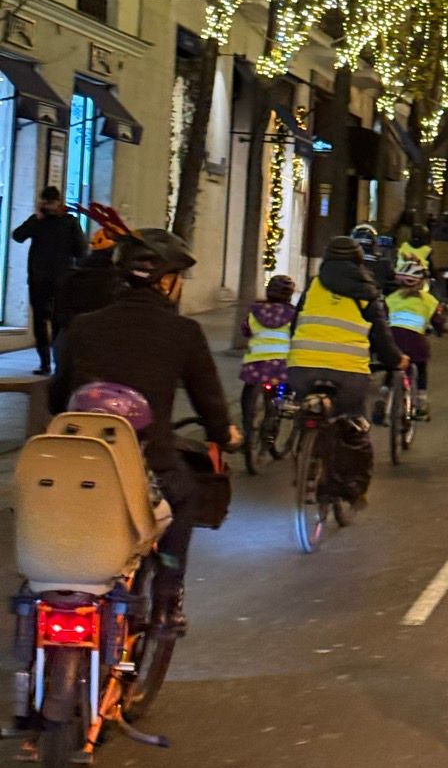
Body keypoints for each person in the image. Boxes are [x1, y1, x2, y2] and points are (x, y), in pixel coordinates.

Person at [49, 228, 237, 629]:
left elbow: (57, 395)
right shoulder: (183, 332)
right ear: (165, 282)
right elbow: (208, 401)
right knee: (185, 497)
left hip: (80, 460)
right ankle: (168, 596)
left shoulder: (83, 326)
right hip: (149, 464)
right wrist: (225, 434)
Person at [289, 235, 398, 428]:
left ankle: (299, 439)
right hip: (349, 373)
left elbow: (294, 325)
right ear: (359, 261)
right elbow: (381, 335)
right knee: (354, 421)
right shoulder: (367, 293)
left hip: (302, 369)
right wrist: (395, 359)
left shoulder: (313, 286)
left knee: (304, 410)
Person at [12, 186, 86, 373]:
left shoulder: (67, 221)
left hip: (50, 279)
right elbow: (17, 236)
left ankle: (50, 362)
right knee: (51, 321)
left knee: (49, 321)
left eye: (50, 203)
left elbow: (81, 250)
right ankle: (49, 362)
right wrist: (36, 218)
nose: (49, 207)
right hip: (51, 278)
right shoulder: (43, 221)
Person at [384, 260, 444, 419]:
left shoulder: (391, 298)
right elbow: (438, 322)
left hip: (392, 339)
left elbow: (382, 317)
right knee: (421, 366)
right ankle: (421, 400)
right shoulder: (429, 300)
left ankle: (385, 392)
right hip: (416, 342)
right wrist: (440, 330)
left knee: (392, 364)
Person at [238, 273, 297, 430]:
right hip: (281, 365)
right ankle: (271, 422)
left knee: (248, 392)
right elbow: (296, 335)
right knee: (280, 393)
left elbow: (245, 330)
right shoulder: (293, 314)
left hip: (255, 364)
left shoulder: (255, 312)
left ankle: (247, 425)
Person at [53, 219, 122, 334]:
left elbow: (60, 319)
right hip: (101, 337)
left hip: (72, 335)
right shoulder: (117, 281)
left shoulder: (72, 277)